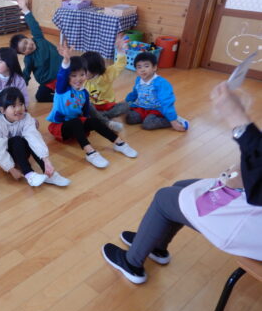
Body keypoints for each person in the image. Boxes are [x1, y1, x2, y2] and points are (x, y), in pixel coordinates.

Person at [103, 81, 262, 284]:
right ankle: (155, 244)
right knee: (182, 186)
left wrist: (236, 116)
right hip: (250, 200)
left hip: (252, 223)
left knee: (164, 198)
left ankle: (132, 263)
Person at [47, 42, 138, 169]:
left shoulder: (84, 92)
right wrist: (66, 60)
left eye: (82, 74)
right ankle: (90, 153)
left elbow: (85, 112)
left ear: (87, 74)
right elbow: (62, 75)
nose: (78, 79)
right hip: (60, 127)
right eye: (73, 76)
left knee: (93, 121)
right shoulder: (62, 89)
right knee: (76, 122)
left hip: (77, 127)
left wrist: (90, 123)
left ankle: (119, 143)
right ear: (67, 77)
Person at [0, 87, 70, 187]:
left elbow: (34, 138)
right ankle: (29, 174)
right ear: (2, 110)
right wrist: (11, 169)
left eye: (21, 104)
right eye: (13, 106)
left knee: (31, 139)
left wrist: (46, 160)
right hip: (1, 156)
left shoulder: (26, 118)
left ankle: (49, 173)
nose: (18, 109)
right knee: (16, 140)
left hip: (20, 151)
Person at [10, 0, 62, 103]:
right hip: (49, 82)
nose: (28, 46)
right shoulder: (28, 59)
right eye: (24, 49)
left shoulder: (38, 38)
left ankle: (63, 92)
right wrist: (19, 89)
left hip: (63, 74)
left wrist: (24, 8)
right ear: (23, 54)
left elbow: (33, 24)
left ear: (28, 38)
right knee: (40, 97)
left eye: (26, 42)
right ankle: (59, 98)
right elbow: (26, 73)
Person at [125, 52, 188, 131]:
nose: (142, 70)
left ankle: (173, 119)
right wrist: (127, 101)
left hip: (157, 109)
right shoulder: (138, 80)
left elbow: (167, 101)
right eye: (139, 67)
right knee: (130, 119)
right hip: (141, 107)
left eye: (146, 66)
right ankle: (147, 118)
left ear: (154, 67)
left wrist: (173, 121)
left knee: (148, 124)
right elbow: (135, 93)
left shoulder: (161, 83)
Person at [81, 34, 130, 132]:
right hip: (93, 107)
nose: (82, 73)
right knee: (86, 110)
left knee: (126, 106)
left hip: (109, 106)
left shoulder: (107, 74)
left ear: (94, 69)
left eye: (85, 71)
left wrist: (120, 51)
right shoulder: (82, 78)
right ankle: (104, 120)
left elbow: (119, 65)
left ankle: (102, 118)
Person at [0, 47, 29, 116]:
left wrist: (23, 108)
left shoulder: (19, 80)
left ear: (10, 64)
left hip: (13, 106)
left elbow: (24, 96)